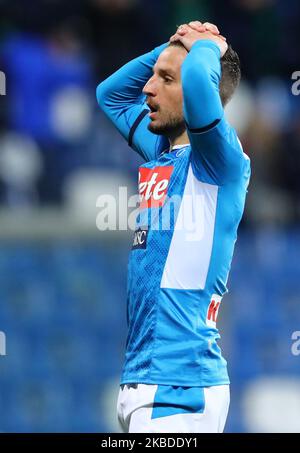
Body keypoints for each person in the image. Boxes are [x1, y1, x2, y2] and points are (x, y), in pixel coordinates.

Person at [97, 20, 250, 433]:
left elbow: (201, 80)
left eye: (165, 79)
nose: (148, 87)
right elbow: (109, 95)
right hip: (144, 381)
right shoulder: (162, 150)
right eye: (153, 76)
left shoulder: (218, 162)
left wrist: (208, 47)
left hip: (179, 383)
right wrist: (173, 45)